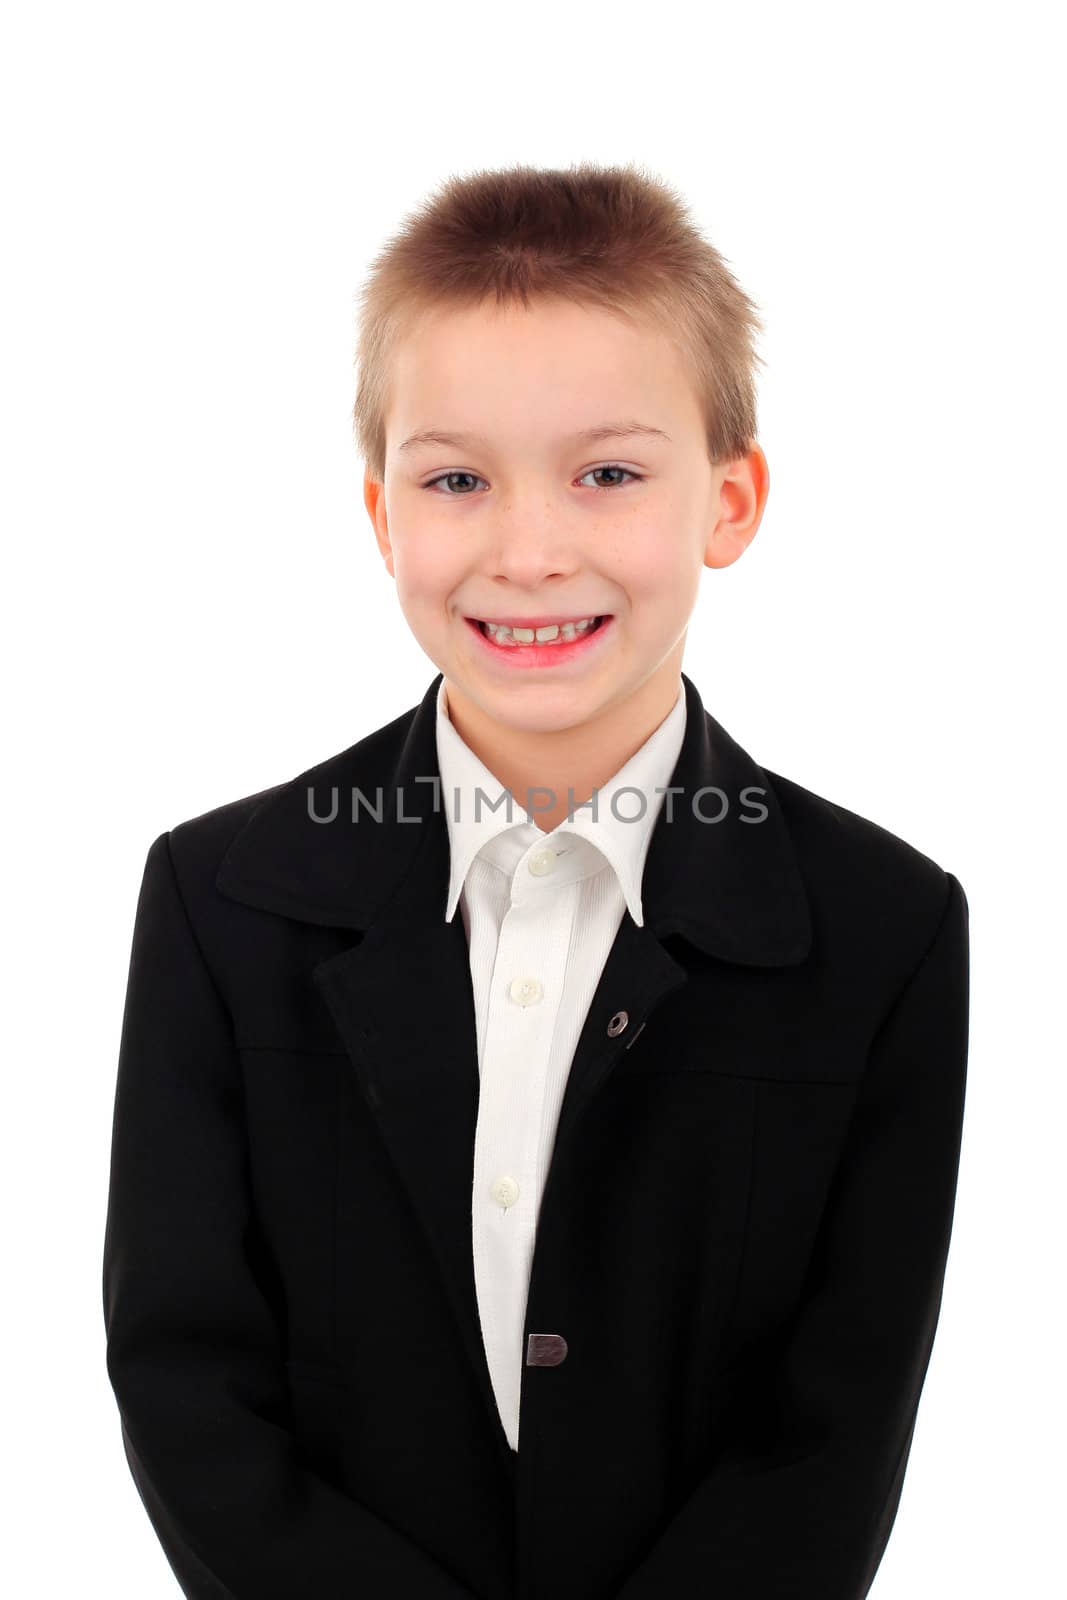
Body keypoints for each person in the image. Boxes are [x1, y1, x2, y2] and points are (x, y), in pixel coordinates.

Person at [102, 161, 970, 1600]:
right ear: (384, 515)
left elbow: (840, 1415)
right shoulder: (219, 898)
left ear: (731, 500)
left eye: (609, 473)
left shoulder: (885, 928)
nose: (529, 550)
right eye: (456, 479)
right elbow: (185, 1374)